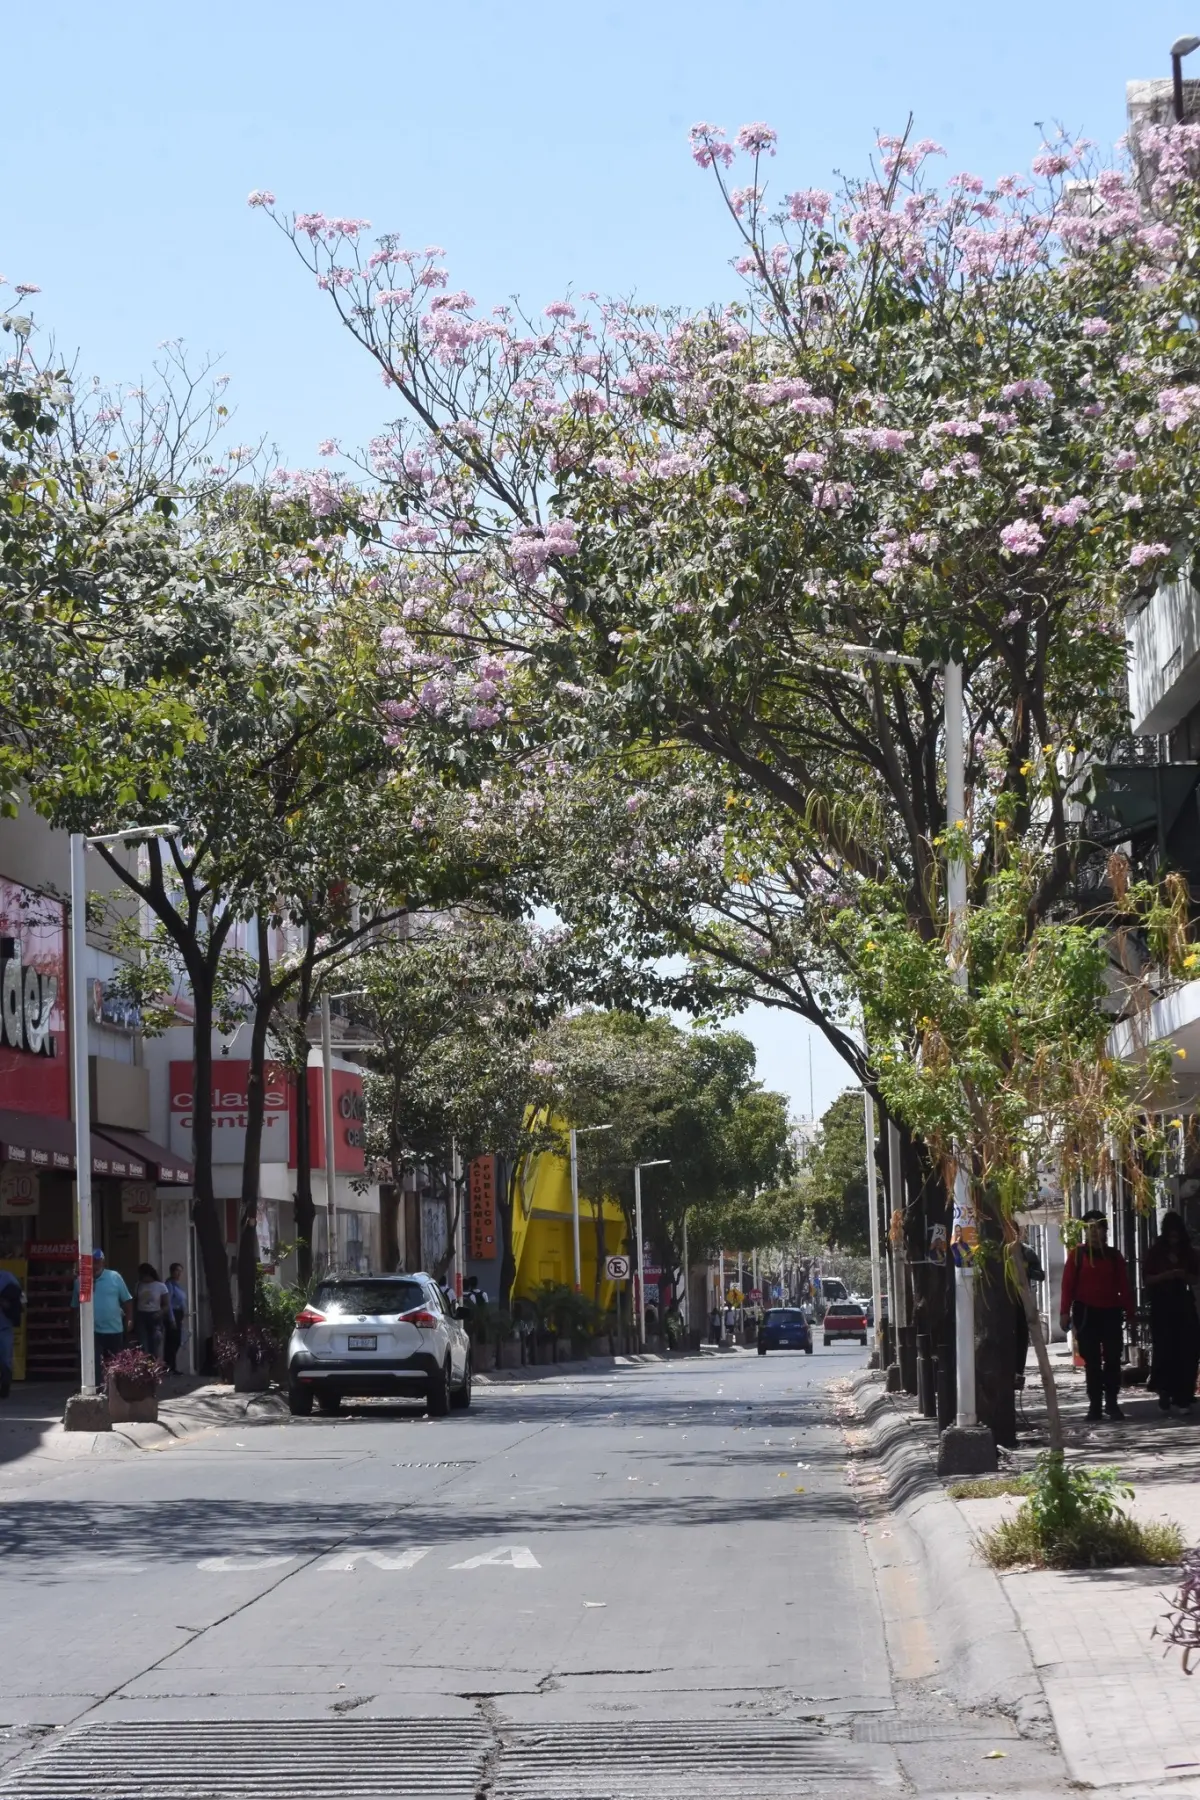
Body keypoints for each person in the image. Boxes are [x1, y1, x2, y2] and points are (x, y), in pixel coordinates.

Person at [1060, 1211, 1135, 1422]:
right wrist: (1064, 1313)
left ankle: (1112, 1402)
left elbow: (1124, 1286)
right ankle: (1094, 1405)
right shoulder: (1077, 1255)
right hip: (1086, 1314)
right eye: (1089, 1228)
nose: (1093, 1232)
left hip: (1111, 1312)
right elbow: (1067, 1286)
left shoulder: (1114, 1256)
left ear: (1105, 1231)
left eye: (1098, 1228)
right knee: (1091, 1361)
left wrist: (1130, 1311)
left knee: (1112, 1359)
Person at [1144, 1212, 1200, 1414]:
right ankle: (1165, 1391)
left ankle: (1183, 1395)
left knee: (1188, 1350)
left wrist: (1183, 1275)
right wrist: (1167, 1275)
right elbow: (1148, 1279)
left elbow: (1195, 1278)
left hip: (1183, 1304)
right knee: (1165, 1350)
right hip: (1162, 1306)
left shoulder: (1188, 1252)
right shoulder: (1156, 1251)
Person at [71, 1249, 132, 1378]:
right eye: (92, 1262)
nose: (95, 1266)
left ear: (103, 1262)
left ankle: (113, 1390)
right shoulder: (81, 1281)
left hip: (114, 1329)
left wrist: (129, 1319)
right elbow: (75, 1307)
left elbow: (127, 1300)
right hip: (91, 1331)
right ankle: (97, 1389)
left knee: (115, 1364)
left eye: (97, 1262)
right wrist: (74, 1328)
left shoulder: (114, 1277)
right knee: (94, 1364)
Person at [1013, 1233, 1046, 1390]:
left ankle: (1018, 1374)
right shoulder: (994, 1252)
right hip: (1000, 1307)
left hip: (1021, 1303)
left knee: (1021, 1339)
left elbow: (1041, 1275)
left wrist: (1025, 1269)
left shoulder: (1026, 1251)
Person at [0, 1267, 23, 1398]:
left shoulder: (7, 1277)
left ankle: (5, 1388)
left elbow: (18, 1296)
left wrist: (6, 1301)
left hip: (4, 1327)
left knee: (5, 1361)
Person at [164, 1262, 188, 1376]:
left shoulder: (178, 1285)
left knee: (177, 1341)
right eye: (176, 1271)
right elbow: (168, 1303)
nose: (179, 1273)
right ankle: (169, 1366)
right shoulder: (169, 1284)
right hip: (173, 1314)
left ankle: (171, 1365)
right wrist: (172, 1319)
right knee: (172, 1341)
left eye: (180, 1271)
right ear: (172, 1272)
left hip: (179, 1315)